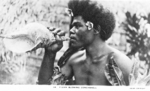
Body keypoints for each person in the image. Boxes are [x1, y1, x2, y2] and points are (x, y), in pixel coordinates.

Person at [37, 0, 133, 85]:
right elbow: (46, 86)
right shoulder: (75, 61)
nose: (71, 30)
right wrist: (50, 53)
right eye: (72, 26)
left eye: (78, 26)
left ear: (96, 29)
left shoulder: (122, 64)